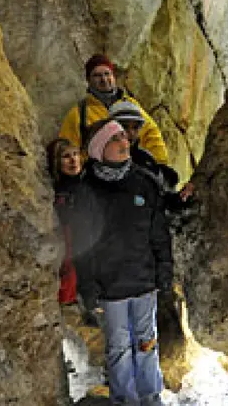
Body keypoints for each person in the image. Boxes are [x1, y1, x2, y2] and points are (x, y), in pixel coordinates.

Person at [64, 119, 172, 406]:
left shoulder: (144, 181)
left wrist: (164, 272)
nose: (125, 143)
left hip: (143, 279)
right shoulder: (86, 191)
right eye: (116, 139)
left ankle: (150, 396)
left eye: (125, 137)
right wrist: (88, 287)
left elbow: (159, 232)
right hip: (109, 286)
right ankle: (124, 399)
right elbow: (83, 247)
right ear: (100, 149)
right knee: (118, 347)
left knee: (147, 342)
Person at [59, 54, 169, 166]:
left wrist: (160, 164)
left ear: (114, 76)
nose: (104, 79)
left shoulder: (130, 104)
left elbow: (151, 132)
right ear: (88, 80)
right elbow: (67, 148)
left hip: (134, 170)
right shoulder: (79, 113)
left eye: (107, 74)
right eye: (97, 75)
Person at [109, 101, 194, 208]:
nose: (130, 133)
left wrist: (180, 197)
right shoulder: (99, 162)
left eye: (135, 127)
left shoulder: (145, 159)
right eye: (124, 127)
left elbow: (161, 198)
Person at [46, 138, 83, 305]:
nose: (73, 160)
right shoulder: (61, 192)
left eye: (75, 154)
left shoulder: (87, 184)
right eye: (66, 156)